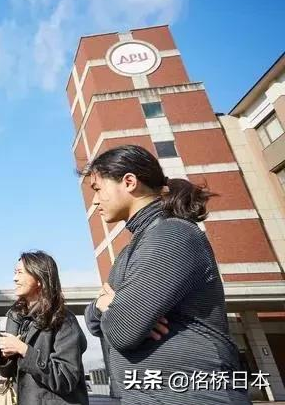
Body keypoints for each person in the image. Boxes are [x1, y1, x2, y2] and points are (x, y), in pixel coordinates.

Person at [81, 145, 250, 405]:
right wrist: (108, 306)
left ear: (129, 182)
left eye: (98, 189)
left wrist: (118, 310)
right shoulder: (135, 247)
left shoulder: (171, 235)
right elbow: (93, 319)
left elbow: (121, 329)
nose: (94, 200)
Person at [0, 251, 90, 405]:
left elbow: (65, 379)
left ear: (39, 278)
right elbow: (6, 372)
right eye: (14, 272)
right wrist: (4, 356)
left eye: (20, 273)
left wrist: (24, 350)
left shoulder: (63, 319)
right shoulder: (16, 316)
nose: (14, 278)